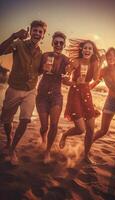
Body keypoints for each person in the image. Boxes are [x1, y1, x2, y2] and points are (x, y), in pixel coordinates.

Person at [0, 20, 47, 164]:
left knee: (25, 120)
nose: (37, 33)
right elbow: (1, 51)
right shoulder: (19, 44)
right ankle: (9, 139)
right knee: (6, 120)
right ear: (30, 31)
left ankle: (12, 149)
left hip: (30, 90)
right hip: (14, 88)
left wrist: (43, 70)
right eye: (35, 30)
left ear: (43, 36)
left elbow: (37, 72)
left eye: (40, 32)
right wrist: (14, 35)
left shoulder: (42, 54)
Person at [59, 39, 101, 162]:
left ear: (93, 51)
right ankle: (65, 135)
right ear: (82, 50)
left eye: (90, 48)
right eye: (85, 48)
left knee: (91, 129)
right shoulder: (75, 62)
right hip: (75, 95)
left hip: (87, 95)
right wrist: (74, 82)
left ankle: (86, 155)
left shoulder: (94, 63)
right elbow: (64, 79)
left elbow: (96, 78)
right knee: (81, 129)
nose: (87, 50)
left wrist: (100, 63)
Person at [36, 31, 69, 163]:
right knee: (44, 126)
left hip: (56, 95)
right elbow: (37, 71)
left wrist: (68, 74)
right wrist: (43, 68)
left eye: (61, 43)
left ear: (64, 45)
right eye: (56, 42)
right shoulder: (45, 55)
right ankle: (43, 138)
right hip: (42, 95)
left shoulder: (66, 59)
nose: (58, 45)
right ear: (52, 43)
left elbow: (67, 77)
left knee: (54, 124)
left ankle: (47, 151)